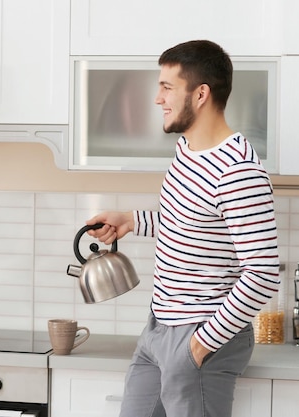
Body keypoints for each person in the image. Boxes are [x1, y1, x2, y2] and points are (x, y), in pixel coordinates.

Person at [85, 40, 279, 417]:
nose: (158, 98)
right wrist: (132, 220)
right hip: (159, 326)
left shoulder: (239, 172)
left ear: (201, 94)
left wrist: (199, 346)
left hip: (200, 336)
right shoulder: (187, 150)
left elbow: (263, 274)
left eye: (167, 87)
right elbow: (189, 220)